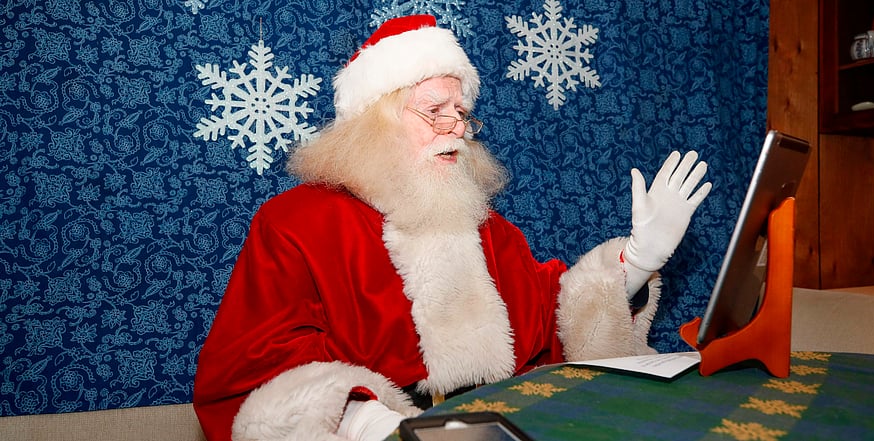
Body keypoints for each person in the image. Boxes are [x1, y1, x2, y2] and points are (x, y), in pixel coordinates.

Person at [193, 14, 712, 441]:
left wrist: (638, 261)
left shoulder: (486, 227)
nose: (455, 130)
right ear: (373, 123)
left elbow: (550, 313)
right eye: (433, 111)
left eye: (461, 113)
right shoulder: (297, 223)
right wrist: (370, 424)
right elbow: (258, 370)